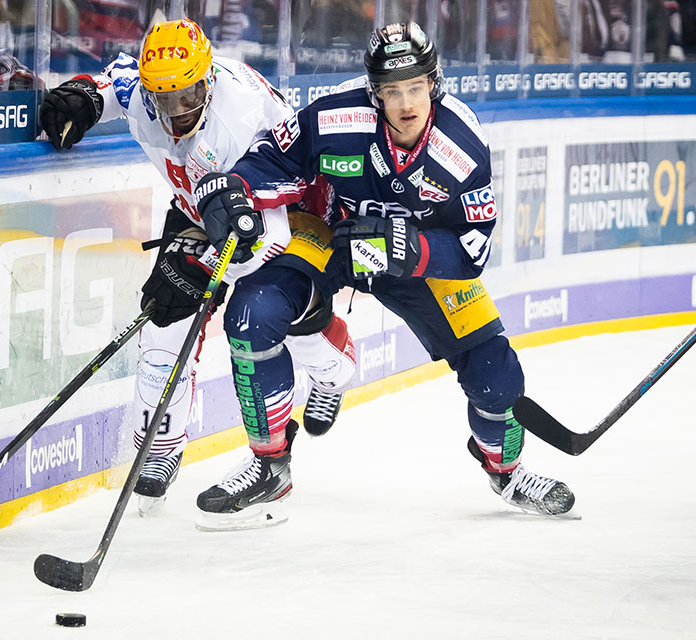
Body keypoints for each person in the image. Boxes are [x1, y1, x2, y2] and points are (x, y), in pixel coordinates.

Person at [192, 21, 576, 530]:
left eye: (416, 87)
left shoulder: (462, 144)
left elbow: (472, 249)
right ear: (375, 93)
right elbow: (273, 160)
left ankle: (506, 470)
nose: (406, 104)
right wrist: (232, 187)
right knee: (249, 314)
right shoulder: (335, 117)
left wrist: (409, 250)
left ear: (434, 83)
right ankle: (270, 465)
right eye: (392, 91)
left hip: (417, 264)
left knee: (496, 375)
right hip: (332, 240)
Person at [39, 18, 357, 518]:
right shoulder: (152, 91)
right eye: (165, 100)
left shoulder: (244, 121)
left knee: (283, 325)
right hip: (199, 204)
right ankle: (160, 446)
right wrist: (85, 97)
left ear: (208, 80)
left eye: (189, 97)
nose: (177, 112)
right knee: (164, 322)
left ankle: (334, 373)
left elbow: (263, 235)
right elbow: (118, 76)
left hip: (288, 212)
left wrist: (204, 273)